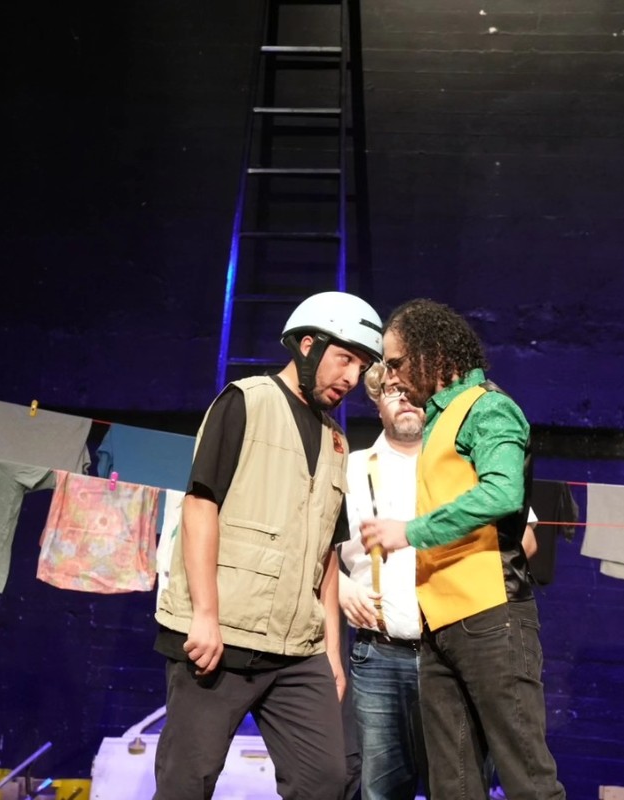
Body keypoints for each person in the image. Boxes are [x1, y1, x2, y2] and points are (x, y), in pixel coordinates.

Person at [153, 291, 383, 800]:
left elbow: (327, 554)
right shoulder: (246, 402)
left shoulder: (336, 441)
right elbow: (200, 506)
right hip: (222, 637)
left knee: (326, 779)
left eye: (361, 365)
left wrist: (332, 654)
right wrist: (205, 616)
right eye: (345, 358)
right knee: (187, 782)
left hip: (297, 650)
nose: (352, 377)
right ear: (308, 345)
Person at [360, 298, 565, 800]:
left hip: (492, 616)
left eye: (396, 363)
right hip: (440, 625)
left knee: (527, 779)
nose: (391, 377)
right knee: (452, 784)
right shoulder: (438, 419)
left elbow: (503, 493)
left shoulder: (487, 407)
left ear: (431, 353)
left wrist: (411, 532)